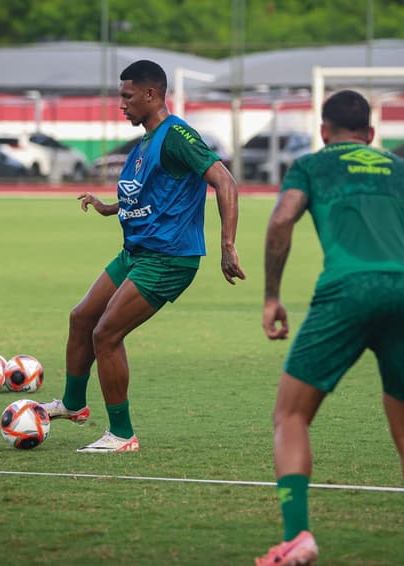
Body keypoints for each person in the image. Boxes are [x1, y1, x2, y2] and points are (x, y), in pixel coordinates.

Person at [255, 90, 404, 566]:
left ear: (324, 131)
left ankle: (298, 537)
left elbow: (281, 221)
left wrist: (272, 295)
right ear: (371, 135)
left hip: (346, 292)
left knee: (290, 417)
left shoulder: (313, 165)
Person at [40, 59, 246, 453]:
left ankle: (121, 434)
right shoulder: (145, 142)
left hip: (169, 258)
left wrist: (227, 245)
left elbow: (225, 181)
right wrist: (109, 207)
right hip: (136, 252)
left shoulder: (177, 135)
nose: (121, 104)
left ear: (151, 94)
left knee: (107, 334)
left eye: (126, 95)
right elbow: (149, 194)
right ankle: (73, 404)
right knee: (82, 317)